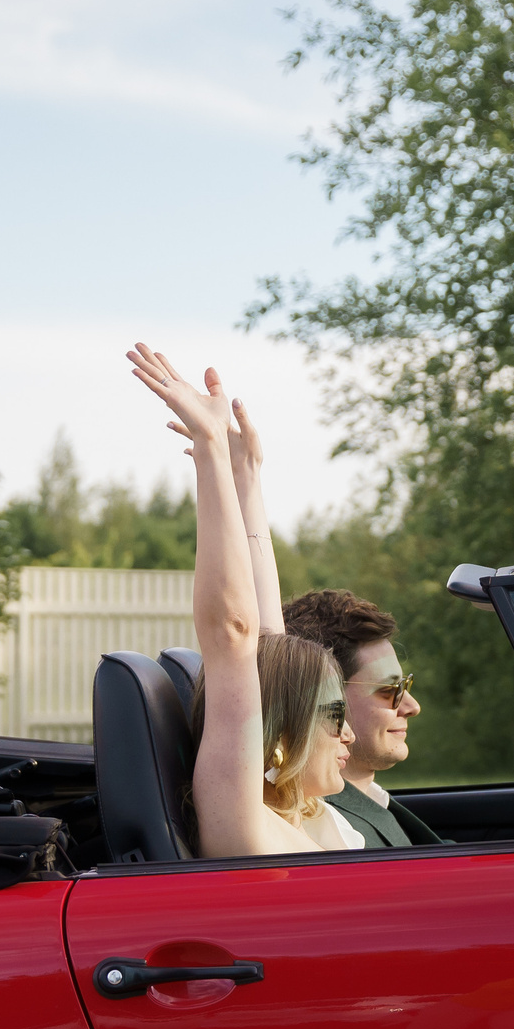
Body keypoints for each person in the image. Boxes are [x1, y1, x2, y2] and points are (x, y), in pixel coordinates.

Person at [124, 346, 358, 856]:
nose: (350, 737)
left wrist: (246, 477)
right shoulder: (244, 825)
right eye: (336, 714)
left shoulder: (299, 810)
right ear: (280, 732)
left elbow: (268, 639)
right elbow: (235, 631)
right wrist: (209, 449)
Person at [280, 588, 447, 849]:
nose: (412, 707)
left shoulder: (367, 801)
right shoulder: (329, 830)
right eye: (388, 690)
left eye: (405, 686)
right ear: (319, 699)